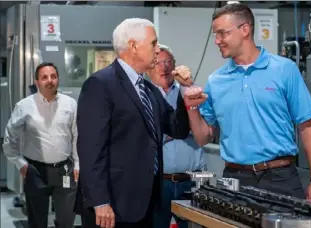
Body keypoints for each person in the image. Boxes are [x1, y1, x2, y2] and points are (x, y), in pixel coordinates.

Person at [178, 3, 311, 200]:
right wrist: (192, 107)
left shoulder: (284, 69)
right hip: (234, 180)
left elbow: (306, 125)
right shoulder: (215, 81)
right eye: (215, 35)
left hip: (280, 177)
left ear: (245, 30)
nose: (217, 41)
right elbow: (203, 137)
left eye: (222, 33)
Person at [75, 18, 191, 228]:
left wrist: (185, 91)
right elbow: (91, 149)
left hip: (145, 204)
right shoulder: (100, 85)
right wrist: (100, 201)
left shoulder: (149, 90)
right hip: (111, 206)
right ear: (133, 46)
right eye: (154, 43)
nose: (158, 50)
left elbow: (178, 129)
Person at [2, 62, 79, 228]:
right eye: (44, 77)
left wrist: (78, 164)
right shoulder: (24, 106)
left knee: (66, 221)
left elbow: (77, 136)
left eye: (53, 76)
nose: (49, 80)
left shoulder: (70, 104)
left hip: (65, 170)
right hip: (35, 171)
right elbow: (9, 138)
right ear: (37, 82)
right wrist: (20, 163)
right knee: (37, 222)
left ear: (58, 79)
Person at [145, 44, 205, 228]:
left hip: (191, 182)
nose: (164, 67)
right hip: (159, 183)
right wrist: (178, 133)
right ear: (148, 68)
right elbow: (146, 138)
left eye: (168, 61)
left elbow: (203, 131)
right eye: (158, 62)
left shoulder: (190, 91)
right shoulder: (144, 96)